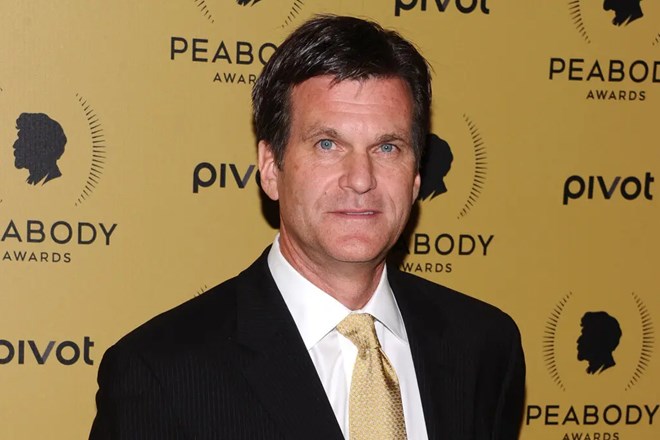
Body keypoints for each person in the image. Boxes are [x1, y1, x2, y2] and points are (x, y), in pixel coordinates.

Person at [90, 15, 525, 440]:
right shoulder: (159, 374)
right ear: (270, 168)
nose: (361, 179)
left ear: (415, 178)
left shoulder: (485, 346)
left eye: (387, 147)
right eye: (327, 144)